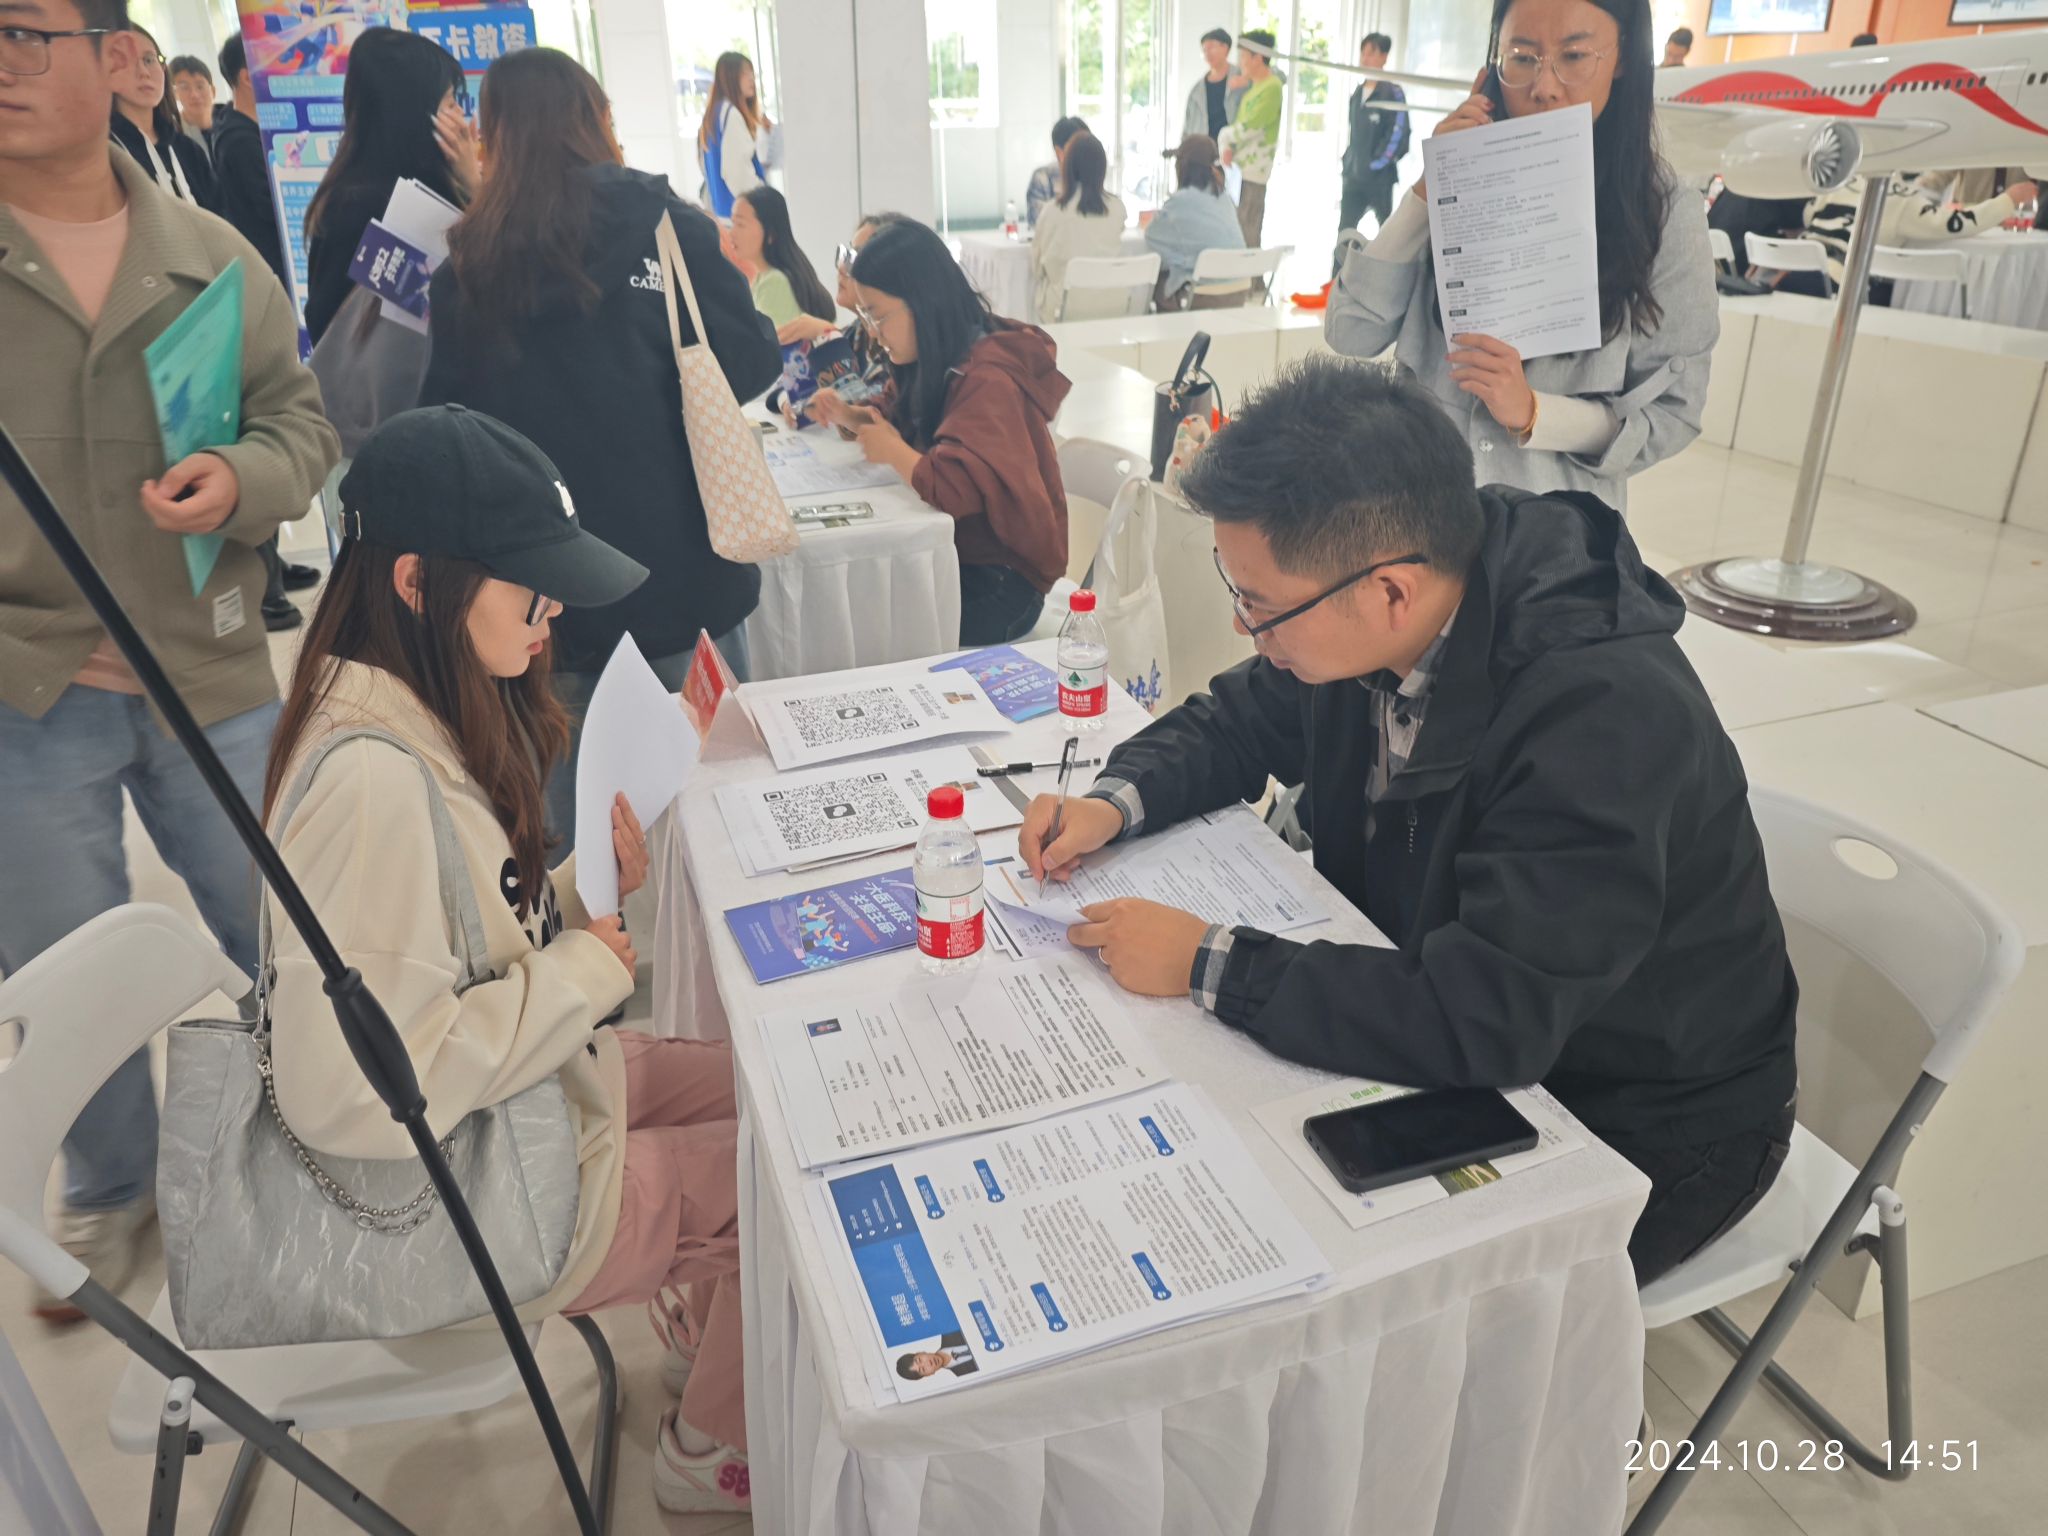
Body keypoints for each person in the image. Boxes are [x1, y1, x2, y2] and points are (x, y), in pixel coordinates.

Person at [1018, 359, 1798, 1285]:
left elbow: (1488, 1018)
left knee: (1334, 1289)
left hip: (1645, 1115)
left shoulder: (1600, 716)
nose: (1243, 629)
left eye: (1259, 604)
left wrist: (1205, 961)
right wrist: (1113, 802)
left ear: (1390, 590)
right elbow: (1239, 719)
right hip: (1457, 1009)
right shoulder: (1396, 598)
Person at [266, 405, 750, 1513]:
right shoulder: (371, 786)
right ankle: (713, 1446)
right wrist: (582, 970)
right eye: (530, 591)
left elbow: (451, 936)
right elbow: (356, 1092)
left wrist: (573, 892)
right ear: (416, 584)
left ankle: (702, 1326)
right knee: (784, 1182)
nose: (552, 616)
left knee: (771, 1090)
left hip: (514, 1108)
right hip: (467, 1198)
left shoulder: (406, 705)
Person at [0, 0, 338, 1319]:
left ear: (113, 56)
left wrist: (242, 477)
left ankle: (322, 1113)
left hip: (207, 666)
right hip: (26, 681)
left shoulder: (207, 256)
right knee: (60, 960)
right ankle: (110, 1180)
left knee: (282, 921)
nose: (3, 65)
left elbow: (301, 425)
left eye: (24, 33)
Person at [420, 47, 780, 851]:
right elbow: (752, 360)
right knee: (728, 817)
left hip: (541, 600)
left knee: (571, 838)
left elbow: (447, 433)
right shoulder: (671, 231)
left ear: (491, 137)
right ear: (597, 122)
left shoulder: (467, 267)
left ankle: (591, 931)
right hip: (682, 577)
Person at [1326, 0, 1718, 513]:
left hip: (1549, 537)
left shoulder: (1664, 213)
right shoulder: (1460, 176)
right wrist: (1428, 187)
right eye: (1523, 57)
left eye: (1574, 56)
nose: (1544, 86)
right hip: (1412, 515)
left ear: (1622, 58)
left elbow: (1673, 413)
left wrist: (1536, 413)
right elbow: (1350, 331)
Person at [812, 221, 1070, 645]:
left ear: (922, 302)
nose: (872, 330)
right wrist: (850, 416)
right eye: (866, 316)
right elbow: (895, 415)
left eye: (877, 315)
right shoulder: (933, 352)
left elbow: (953, 487)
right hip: (959, 552)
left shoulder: (988, 376)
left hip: (1003, 585)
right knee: (858, 602)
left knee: (868, 622)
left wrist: (892, 449)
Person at [302, 25, 472, 345]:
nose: (461, 115)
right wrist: (472, 190)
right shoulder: (366, 209)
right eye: (450, 103)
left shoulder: (412, 187)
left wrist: (470, 183)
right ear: (415, 116)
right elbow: (455, 315)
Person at [1784, 170, 2036, 301]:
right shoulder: (1902, 199)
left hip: (1792, 272)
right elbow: (1956, 224)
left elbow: (1808, 215)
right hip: (1840, 289)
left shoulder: (1843, 183)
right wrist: (2008, 200)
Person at [107, 23, 214, 210]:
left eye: (149, 60)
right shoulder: (105, 155)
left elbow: (219, 218)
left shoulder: (188, 149)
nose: (143, 72)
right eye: (128, 61)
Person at [1030, 131, 1130, 321]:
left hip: (1065, 310)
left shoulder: (1052, 211)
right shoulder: (1117, 208)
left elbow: (1037, 267)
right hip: (1114, 306)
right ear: (1102, 168)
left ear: (1067, 167)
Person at [1145, 134, 1245, 309]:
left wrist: (1180, 259)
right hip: (1238, 292)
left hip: (1203, 297)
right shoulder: (1225, 199)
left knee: (1158, 277)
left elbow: (1151, 237)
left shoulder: (1180, 202)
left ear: (1182, 166)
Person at [1337, 32, 1407, 260]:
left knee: (1386, 236)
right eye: (1363, 52)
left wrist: (1375, 164)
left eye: (1371, 53)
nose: (1365, 58)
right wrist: (1349, 162)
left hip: (1379, 179)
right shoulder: (1357, 93)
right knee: (1344, 234)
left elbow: (1399, 136)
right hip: (1353, 177)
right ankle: (1336, 278)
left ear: (1384, 57)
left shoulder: (1393, 93)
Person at [730, 183, 833, 328]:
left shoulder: (774, 282)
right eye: (733, 223)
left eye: (740, 224)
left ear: (770, 233)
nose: (731, 233)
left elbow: (773, 341)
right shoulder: (763, 278)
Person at [1218, 30, 1282, 250]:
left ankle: (1252, 275)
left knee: (1248, 235)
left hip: (1254, 173)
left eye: (1244, 56)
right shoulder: (1252, 89)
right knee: (1237, 233)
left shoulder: (1272, 87)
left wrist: (1223, 137)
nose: (1241, 62)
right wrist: (1226, 143)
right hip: (1239, 173)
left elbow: (1249, 127)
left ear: (1258, 58)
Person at [698, 50, 778, 220]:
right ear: (730, 77)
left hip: (723, 214)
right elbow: (737, 174)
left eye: (752, 73)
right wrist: (765, 204)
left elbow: (706, 166)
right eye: (745, 73)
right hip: (740, 216)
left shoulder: (713, 114)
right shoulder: (731, 114)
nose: (751, 78)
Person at [1024, 114, 1087, 228]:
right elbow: (1038, 224)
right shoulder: (1042, 178)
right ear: (1059, 152)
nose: (1087, 151)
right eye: (1079, 146)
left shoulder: (1091, 174)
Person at [1181, 28, 1241, 143]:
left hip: (1233, 147)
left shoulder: (1242, 77)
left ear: (1225, 48)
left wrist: (1246, 80)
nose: (1207, 53)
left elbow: (1274, 76)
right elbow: (1187, 127)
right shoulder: (1196, 90)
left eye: (1211, 48)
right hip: (1204, 149)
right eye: (1204, 50)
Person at [166, 53, 220, 156]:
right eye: (184, 88)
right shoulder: (173, 133)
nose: (194, 95)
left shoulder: (229, 124)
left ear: (213, 91)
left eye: (200, 86)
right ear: (174, 94)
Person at [896, 1333, 979, 1380]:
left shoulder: (950, 1332)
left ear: (920, 1352)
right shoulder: (966, 1376)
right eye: (923, 1369)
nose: (928, 1363)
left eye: (919, 1360)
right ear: (929, 1374)